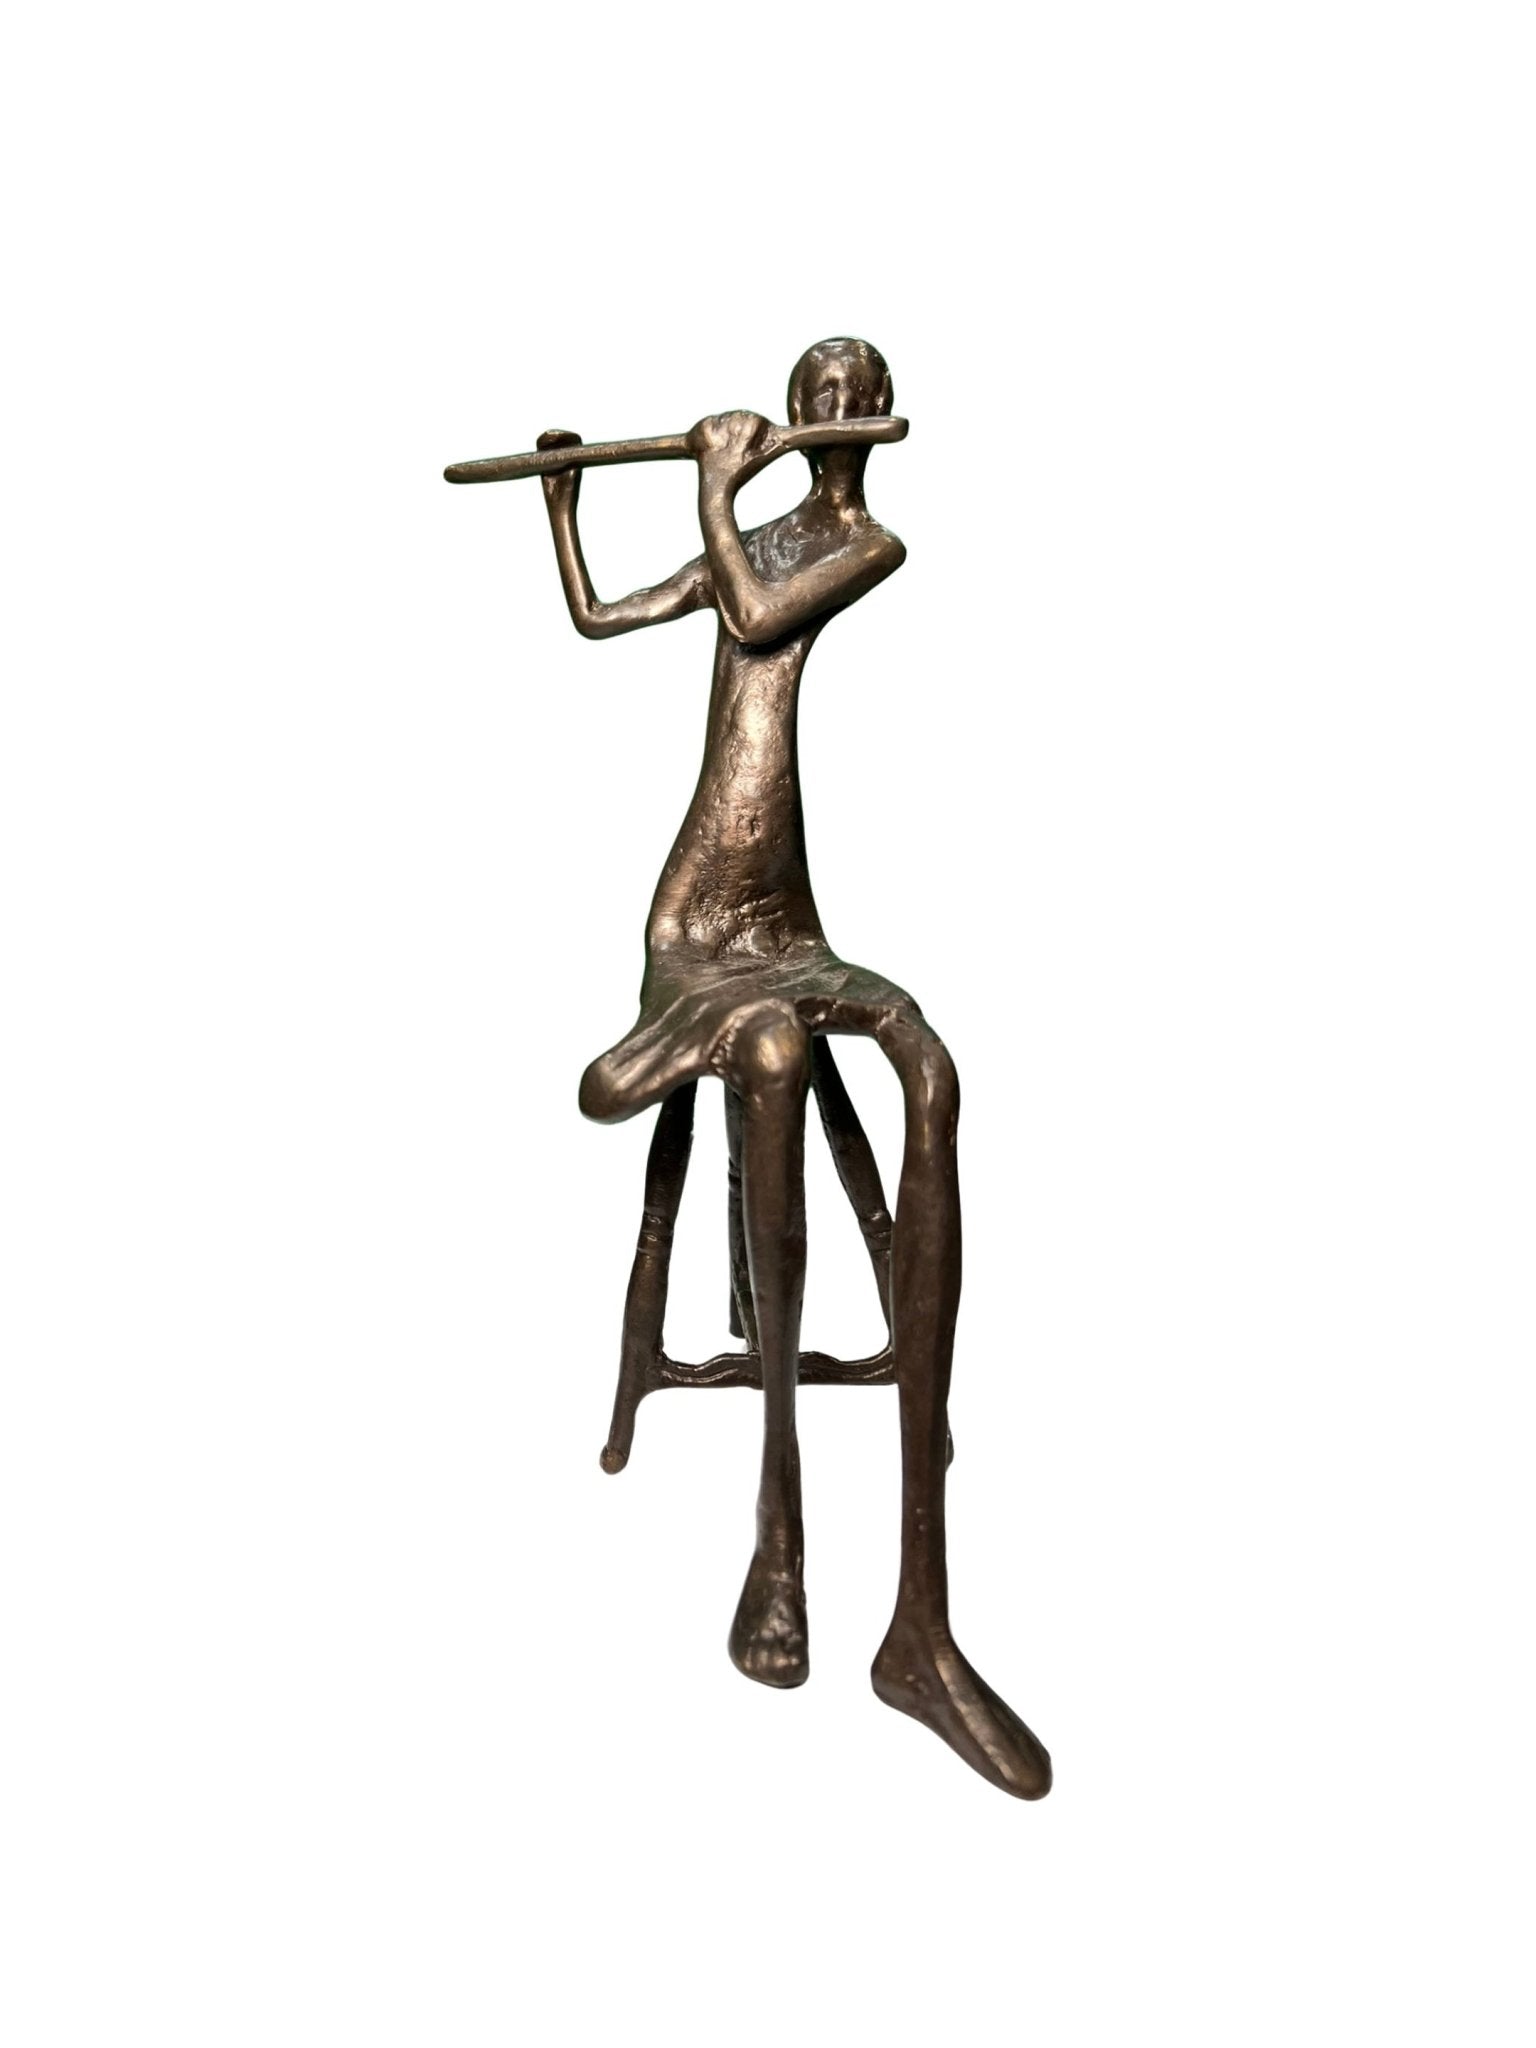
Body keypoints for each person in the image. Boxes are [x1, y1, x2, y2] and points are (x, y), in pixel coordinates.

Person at [535, 338, 1051, 1797]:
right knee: (764, 1047)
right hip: (704, 920)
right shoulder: (750, 533)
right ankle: (781, 1537)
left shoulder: (860, 543)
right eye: (809, 392)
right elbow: (599, 618)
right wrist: (568, 503)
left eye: (844, 395)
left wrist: (712, 486)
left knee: (931, 1069)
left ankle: (922, 1628)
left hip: (792, 917)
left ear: (868, 422)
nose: (824, 411)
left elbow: (762, 615)